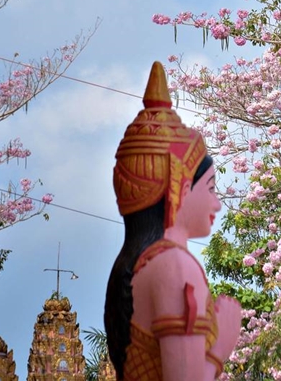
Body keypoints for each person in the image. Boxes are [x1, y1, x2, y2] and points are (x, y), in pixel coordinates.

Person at [105, 62, 242, 381]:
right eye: (210, 188)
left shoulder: (136, 265)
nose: (217, 203)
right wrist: (219, 350)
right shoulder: (175, 267)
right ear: (178, 189)